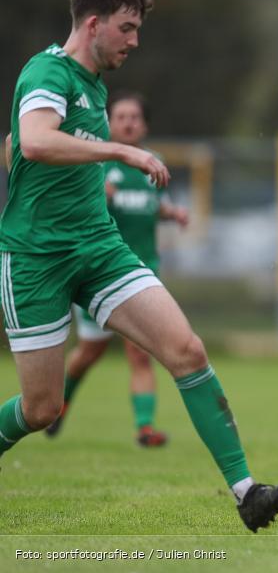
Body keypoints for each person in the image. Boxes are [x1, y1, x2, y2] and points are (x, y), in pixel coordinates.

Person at [0, 0, 278, 532]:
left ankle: (247, 493)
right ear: (94, 24)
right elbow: (35, 141)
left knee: (186, 350)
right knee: (42, 409)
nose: (134, 41)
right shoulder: (48, 72)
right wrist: (122, 151)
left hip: (100, 248)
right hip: (36, 258)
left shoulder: (94, 86)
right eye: (127, 27)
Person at [45, 91, 189, 447]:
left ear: (145, 124)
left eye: (134, 117)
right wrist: (97, 196)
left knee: (141, 353)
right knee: (88, 354)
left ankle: (145, 427)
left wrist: (174, 214)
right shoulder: (96, 165)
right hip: (100, 275)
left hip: (143, 275)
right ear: (109, 122)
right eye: (121, 116)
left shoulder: (152, 163)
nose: (127, 122)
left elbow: (154, 205)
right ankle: (59, 404)